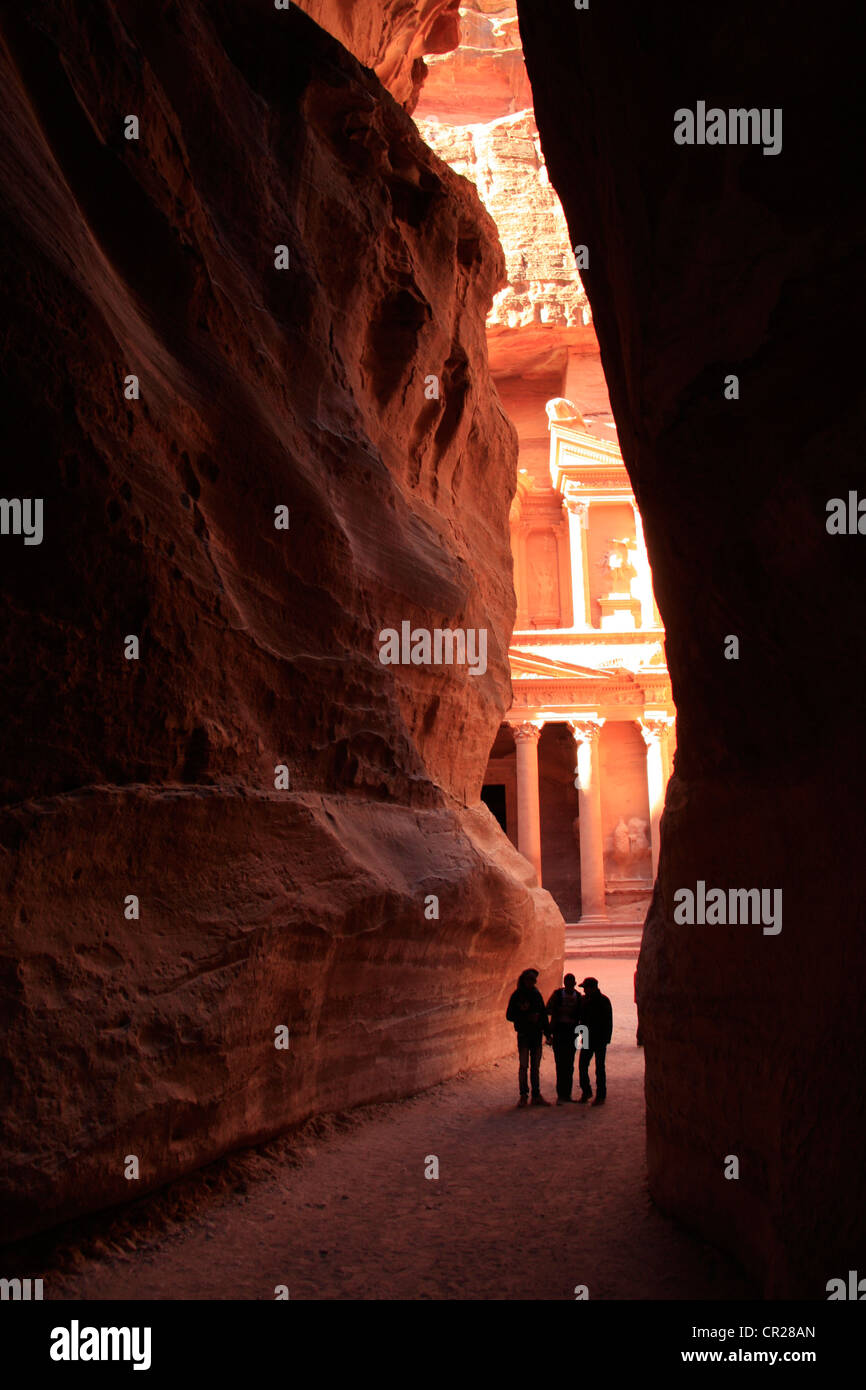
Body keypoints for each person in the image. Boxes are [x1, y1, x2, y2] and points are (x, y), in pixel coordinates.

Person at [506, 968, 552, 1107]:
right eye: (530, 979)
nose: (532, 982)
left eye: (533, 980)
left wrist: (547, 1033)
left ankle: (536, 1095)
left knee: (535, 1067)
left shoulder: (536, 995)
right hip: (524, 1034)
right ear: (524, 980)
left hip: (536, 1035)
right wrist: (526, 1017)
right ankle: (524, 1095)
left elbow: (543, 1015)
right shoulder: (517, 996)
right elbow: (509, 1015)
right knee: (524, 1066)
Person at [546, 973, 583, 1104]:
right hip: (561, 1032)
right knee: (562, 1064)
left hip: (569, 1033)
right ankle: (562, 1094)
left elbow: (582, 1017)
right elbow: (548, 1010)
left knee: (567, 1064)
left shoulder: (577, 997)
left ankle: (565, 1094)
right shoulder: (560, 996)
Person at [577, 976, 613, 1106]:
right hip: (589, 1037)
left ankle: (599, 1095)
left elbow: (608, 1021)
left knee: (598, 1067)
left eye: (585, 988)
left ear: (592, 988)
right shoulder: (586, 1000)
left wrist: (605, 1039)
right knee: (584, 1066)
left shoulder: (602, 1001)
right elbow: (581, 1019)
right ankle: (588, 1092)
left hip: (598, 1038)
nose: (584, 990)